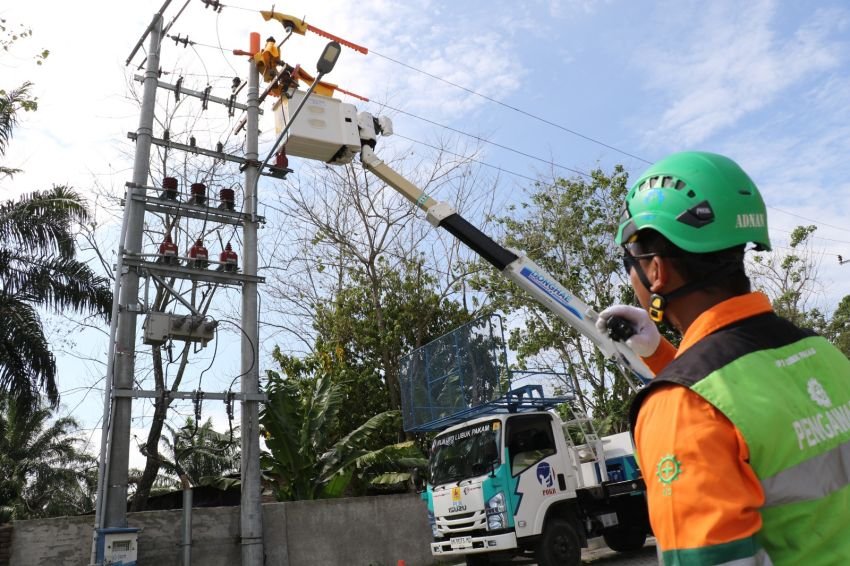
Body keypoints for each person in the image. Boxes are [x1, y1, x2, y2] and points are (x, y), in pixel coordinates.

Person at [595, 151, 850, 565]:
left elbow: (713, 402)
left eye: (630, 262)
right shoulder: (823, 354)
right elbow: (746, 394)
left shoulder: (682, 406)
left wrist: (673, 378)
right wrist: (660, 353)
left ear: (656, 271)